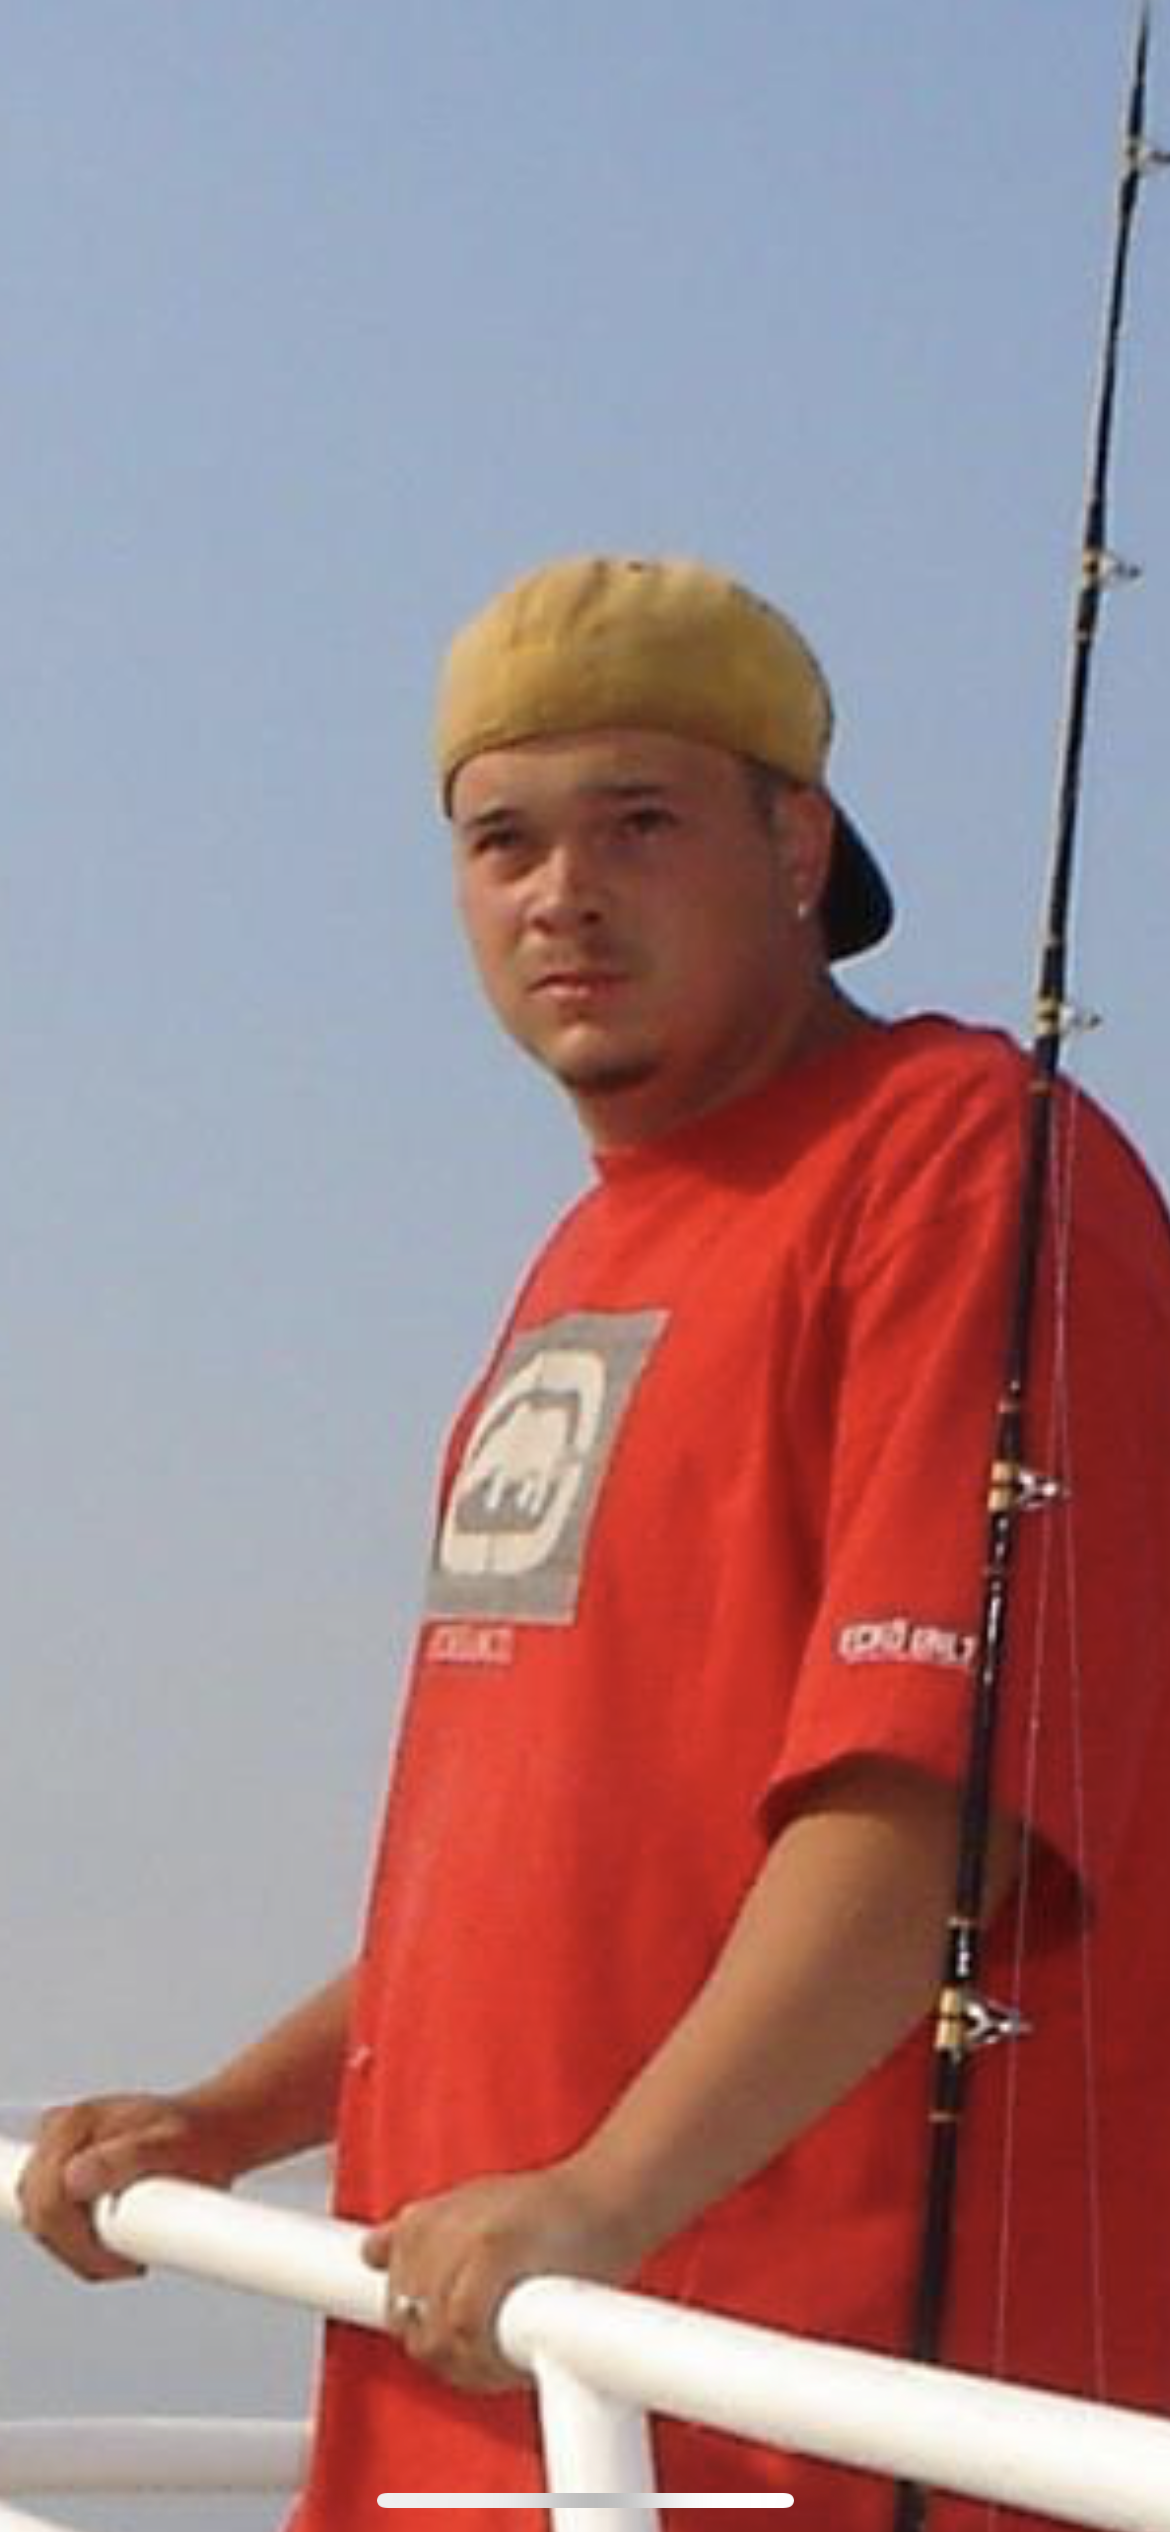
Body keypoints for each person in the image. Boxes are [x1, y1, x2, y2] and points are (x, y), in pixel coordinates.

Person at [18, 555, 1170, 2530]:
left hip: (777, 2421)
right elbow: (549, 1860)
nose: (562, 892)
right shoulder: (590, 1246)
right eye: (504, 841)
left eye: (639, 822)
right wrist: (236, 2116)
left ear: (795, 846)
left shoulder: (971, 1163)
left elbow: (936, 1805)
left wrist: (607, 2197)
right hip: (490, 2386)